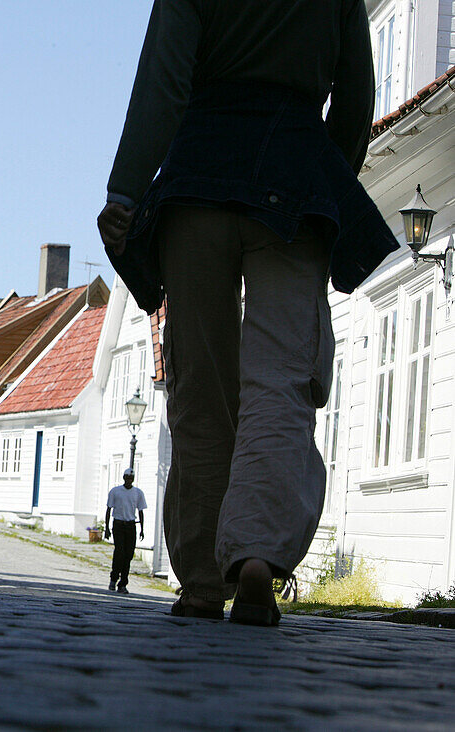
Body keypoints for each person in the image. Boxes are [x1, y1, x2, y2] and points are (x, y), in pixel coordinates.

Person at [98, 0, 397, 625]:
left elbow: (163, 80)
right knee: (282, 381)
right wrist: (328, 179)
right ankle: (258, 555)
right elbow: (355, 98)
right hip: (295, 180)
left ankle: (204, 581)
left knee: (200, 387)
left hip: (199, 178)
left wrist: (126, 187)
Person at [104, 468, 147, 594]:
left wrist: (142, 529)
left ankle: (123, 583)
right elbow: (108, 510)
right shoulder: (115, 491)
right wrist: (106, 528)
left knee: (128, 555)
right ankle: (114, 578)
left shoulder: (138, 493)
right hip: (118, 524)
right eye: (127, 477)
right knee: (119, 553)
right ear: (123, 478)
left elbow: (140, 511)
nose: (129, 480)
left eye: (131, 478)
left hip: (130, 525)